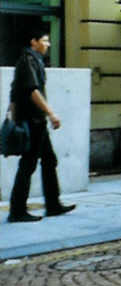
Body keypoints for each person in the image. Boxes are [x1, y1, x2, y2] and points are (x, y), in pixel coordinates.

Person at [7, 29, 75, 222]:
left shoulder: (32, 60)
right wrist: (51, 113)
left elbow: (14, 93)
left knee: (49, 161)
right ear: (33, 41)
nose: (48, 44)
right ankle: (17, 211)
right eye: (45, 40)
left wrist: (14, 115)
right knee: (28, 165)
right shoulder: (28, 60)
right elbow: (32, 91)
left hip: (36, 122)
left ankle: (52, 205)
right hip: (33, 121)